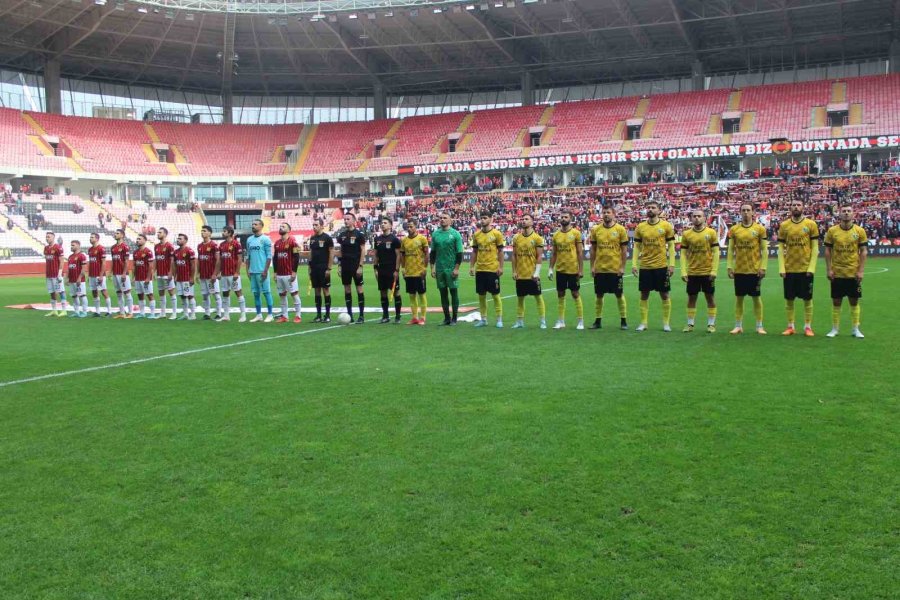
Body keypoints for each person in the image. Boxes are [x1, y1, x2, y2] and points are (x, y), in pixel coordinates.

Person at [632, 200, 675, 332]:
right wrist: (634, 263)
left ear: (659, 210)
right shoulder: (640, 227)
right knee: (644, 294)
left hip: (661, 266)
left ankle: (666, 323)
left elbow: (671, 246)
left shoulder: (666, 226)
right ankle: (644, 323)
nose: (650, 209)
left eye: (653, 207)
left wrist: (672, 264)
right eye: (648, 207)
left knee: (665, 294)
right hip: (645, 266)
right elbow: (637, 247)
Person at [824, 205, 867, 338]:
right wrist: (829, 269)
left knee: (854, 301)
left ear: (853, 214)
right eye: (844, 211)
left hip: (853, 273)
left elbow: (863, 251)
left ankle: (855, 329)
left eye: (849, 211)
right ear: (840, 214)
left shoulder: (859, 231)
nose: (846, 213)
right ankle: (835, 329)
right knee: (836, 301)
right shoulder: (832, 231)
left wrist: (861, 271)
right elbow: (827, 251)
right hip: (837, 272)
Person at [777, 198, 819, 336]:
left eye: (798, 205)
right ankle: (790, 326)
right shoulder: (784, 225)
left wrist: (811, 267)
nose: (796, 207)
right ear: (790, 208)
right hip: (790, 268)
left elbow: (815, 247)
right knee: (789, 299)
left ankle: (808, 327)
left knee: (807, 299)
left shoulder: (811, 224)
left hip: (805, 268)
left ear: (803, 207)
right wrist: (782, 268)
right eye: (794, 205)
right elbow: (780, 248)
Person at [726, 203, 768, 334]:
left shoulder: (760, 229)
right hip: (739, 270)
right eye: (743, 210)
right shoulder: (734, 229)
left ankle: (759, 326)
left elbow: (764, 250)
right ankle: (738, 325)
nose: (745, 212)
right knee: (739, 298)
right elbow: (731, 249)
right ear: (740, 212)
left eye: (748, 210)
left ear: (753, 212)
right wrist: (729, 266)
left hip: (755, 270)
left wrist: (763, 267)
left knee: (756, 298)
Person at [679, 209, 720, 333]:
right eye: (694, 216)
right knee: (691, 298)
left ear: (704, 218)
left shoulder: (711, 233)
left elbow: (716, 252)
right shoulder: (686, 234)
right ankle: (690, 324)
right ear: (691, 218)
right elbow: (683, 254)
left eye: (699, 216)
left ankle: (711, 324)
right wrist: (683, 271)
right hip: (692, 272)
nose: (697, 218)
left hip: (707, 272)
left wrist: (714, 270)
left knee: (710, 298)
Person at [589, 205, 628, 330]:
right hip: (600, 268)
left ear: (613, 214)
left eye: (608, 212)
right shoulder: (596, 230)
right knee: (599, 295)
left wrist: (622, 267)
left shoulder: (620, 229)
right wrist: (592, 266)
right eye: (604, 212)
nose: (606, 214)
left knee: (619, 294)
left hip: (615, 269)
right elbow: (593, 250)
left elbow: (624, 250)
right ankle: (598, 321)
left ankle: (623, 321)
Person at [548, 210, 584, 330]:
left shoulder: (576, 233)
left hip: (573, 269)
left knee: (575, 293)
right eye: (562, 217)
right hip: (560, 270)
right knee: (560, 294)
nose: (563, 218)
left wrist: (581, 270)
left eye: (566, 217)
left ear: (570, 218)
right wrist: (550, 269)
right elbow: (554, 253)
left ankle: (580, 321)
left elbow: (579, 252)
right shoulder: (556, 235)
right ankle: (561, 321)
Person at [469, 211, 505, 328]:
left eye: (485, 218)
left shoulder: (497, 234)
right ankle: (483, 319)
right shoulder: (476, 235)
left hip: (492, 269)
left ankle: (499, 319)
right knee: (481, 295)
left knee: (495, 295)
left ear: (491, 219)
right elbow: (474, 252)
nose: (482, 220)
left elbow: (500, 251)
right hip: (480, 269)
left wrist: (500, 267)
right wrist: (471, 266)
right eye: (481, 218)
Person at [510, 213, 546, 329]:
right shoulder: (516, 238)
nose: (523, 220)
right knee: (520, 299)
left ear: (532, 222)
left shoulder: (537, 238)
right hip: (520, 274)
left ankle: (542, 322)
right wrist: (514, 271)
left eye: (526, 219)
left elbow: (539, 257)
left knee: (538, 297)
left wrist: (537, 272)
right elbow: (514, 256)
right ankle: (520, 322)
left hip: (532, 275)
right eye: (523, 219)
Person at [429, 211, 464, 325]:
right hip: (440, 268)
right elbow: (433, 253)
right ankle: (446, 318)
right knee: (443, 293)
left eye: (445, 218)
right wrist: (432, 268)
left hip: (451, 268)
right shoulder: (435, 234)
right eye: (441, 218)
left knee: (454, 292)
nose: (442, 219)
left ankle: (454, 318)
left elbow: (459, 253)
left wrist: (456, 268)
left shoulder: (455, 234)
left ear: (450, 220)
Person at [336, 213, 366, 324]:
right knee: (347, 289)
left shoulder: (359, 235)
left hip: (356, 266)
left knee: (359, 289)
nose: (346, 221)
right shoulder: (342, 235)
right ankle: (350, 315)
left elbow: (363, 250)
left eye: (348, 219)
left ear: (354, 221)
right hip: (345, 266)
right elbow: (341, 251)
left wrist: (360, 266)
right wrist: (339, 265)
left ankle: (361, 316)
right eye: (345, 219)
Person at [400, 217, 429, 325]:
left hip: (419, 271)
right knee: (412, 295)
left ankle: (423, 318)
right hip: (409, 272)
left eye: (411, 226)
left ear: (416, 227)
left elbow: (426, 254)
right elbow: (402, 256)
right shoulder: (404, 241)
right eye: (408, 226)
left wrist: (425, 268)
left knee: (421, 294)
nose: (409, 228)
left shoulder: (422, 239)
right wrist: (403, 268)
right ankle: (414, 317)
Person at [373, 216, 402, 324]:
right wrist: (375, 268)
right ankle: (385, 316)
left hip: (392, 269)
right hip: (382, 269)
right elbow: (376, 255)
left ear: (390, 225)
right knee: (383, 293)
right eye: (382, 223)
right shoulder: (377, 239)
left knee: (396, 292)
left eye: (385, 223)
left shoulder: (394, 239)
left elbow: (398, 256)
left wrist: (396, 270)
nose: (382, 224)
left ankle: (398, 316)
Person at [246, 219, 274, 323]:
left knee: (266, 292)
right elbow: (248, 256)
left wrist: (265, 270)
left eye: (255, 224)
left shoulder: (266, 239)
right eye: (252, 224)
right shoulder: (249, 240)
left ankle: (270, 314)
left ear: (261, 226)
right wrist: (248, 269)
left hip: (262, 271)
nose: (253, 226)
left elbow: (269, 256)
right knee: (256, 293)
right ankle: (259, 315)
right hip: (253, 271)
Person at [273, 223, 302, 323]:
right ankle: (284, 316)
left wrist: (294, 272)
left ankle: (298, 315)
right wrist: (275, 272)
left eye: (283, 226)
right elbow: (275, 258)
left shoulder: (293, 241)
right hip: (280, 274)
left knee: (294, 294)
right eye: (280, 226)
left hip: (289, 273)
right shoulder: (276, 243)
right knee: (282, 295)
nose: (281, 227)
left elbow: (297, 256)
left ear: (289, 230)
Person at [218, 226, 247, 322]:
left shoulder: (236, 244)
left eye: (224, 231)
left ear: (230, 233)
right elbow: (220, 260)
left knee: (238, 292)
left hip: (233, 274)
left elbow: (239, 259)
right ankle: (226, 315)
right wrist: (218, 272)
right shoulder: (221, 245)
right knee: (225, 293)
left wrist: (237, 272)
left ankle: (243, 315)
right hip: (224, 274)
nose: (223, 233)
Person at [308, 219, 335, 323]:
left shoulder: (327, 238)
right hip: (314, 268)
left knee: (325, 290)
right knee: (317, 290)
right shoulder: (312, 238)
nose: (314, 227)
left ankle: (327, 315)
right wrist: (309, 267)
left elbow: (331, 253)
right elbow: (311, 252)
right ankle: (318, 315)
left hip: (324, 268)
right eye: (313, 225)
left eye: (316, 225)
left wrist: (329, 268)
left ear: (322, 226)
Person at [197, 225, 223, 321]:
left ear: (209, 233)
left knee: (215, 294)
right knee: (205, 295)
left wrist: (216, 273)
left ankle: (219, 313)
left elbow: (218, 260)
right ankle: (207, 313)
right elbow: (199, 260)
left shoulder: (214, 245)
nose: (202, 232)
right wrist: (198, 273)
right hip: (203, 275)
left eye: (204, 231)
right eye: (201, 231)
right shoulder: (199, 246)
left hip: (211, 274)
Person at [87, 232, 113, 317]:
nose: (90, 239)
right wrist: (89, 275)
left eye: (92, 237)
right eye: (90, 237)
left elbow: (104, 263)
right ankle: (97, 312)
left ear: (97, 239)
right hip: (92, 275)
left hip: (99, 274)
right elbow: (91, 262)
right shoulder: (90, 250)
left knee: (104, 291)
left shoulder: (101, 249)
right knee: (94, 292)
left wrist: (101, 275)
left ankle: (109, 311)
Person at [132, 234, 157, 319]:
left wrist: (148, 277)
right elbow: (135, 266)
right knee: (140, 295)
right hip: (138, 278)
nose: (137, 240)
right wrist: (133, 277)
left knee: (149, 295)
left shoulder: (148, 252)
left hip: (145, 278)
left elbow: (151, 266)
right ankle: (142, 313)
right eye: (137, 239)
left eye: (139, 239)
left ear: (144, 241)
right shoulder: (135, 252)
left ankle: (152, 313)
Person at [155, 228, 178, 319]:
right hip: (159, 273)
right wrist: (154, 271)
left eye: (160, 232)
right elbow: (157, 260)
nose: (158, 234)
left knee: (171, 292)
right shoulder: (156, 246)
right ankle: (163, 313)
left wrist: (170, 272)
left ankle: (174, 313)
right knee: (161, 293)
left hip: (167, 273)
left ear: (165, 234)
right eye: (158, 232)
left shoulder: (169, 246)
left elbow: (172, 260)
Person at [173, 233, 197, 320]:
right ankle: (185, 314)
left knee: (190, 295)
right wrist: (175, 276)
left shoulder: (189, 251)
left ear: (185, 240)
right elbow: (175, 265)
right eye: (178, 238)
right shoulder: (175, 252)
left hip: (187, 278)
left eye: (180, 239)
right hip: (179, 278)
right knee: (182, 296)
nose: (178, 240)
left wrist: (192, 277)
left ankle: (193, 314)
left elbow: (193, 265)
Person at [110, 228, 133, 319]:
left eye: (117, 233)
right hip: (115, 273)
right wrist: (111, 272)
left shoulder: (125, 247)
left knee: (127, 292)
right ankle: (122, 313)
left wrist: (124, 273)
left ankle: (130, 313)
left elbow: (127, 261)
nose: (115, 234)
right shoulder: (113, 247)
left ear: (122, 235)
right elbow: (113, 260)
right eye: (115, 233)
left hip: (123, 274)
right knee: (118, 293)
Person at [42, 231, 67, 317]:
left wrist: (59, 273)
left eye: (48, 237)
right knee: (52, 292)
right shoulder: (46, 248)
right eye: (46, 237)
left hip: (57, 274)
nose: (47, 238)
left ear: (53, 237)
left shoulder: (58, 248)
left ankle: (64, 310)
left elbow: (61, 261)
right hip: (49, 274)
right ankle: (54, 310)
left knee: (61, 291)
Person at [65, 240, 88, 318]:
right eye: (71, 245)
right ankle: (76, 312)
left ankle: (84, 312)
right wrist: (67, 278)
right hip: (72, 280)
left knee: (82, 295)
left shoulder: (82, 256)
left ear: (78, 245)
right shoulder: (70, 257)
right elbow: (69, 268)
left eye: (73, 245)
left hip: (79, 280)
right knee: (74, 296)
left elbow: (84, 268)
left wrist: (79, 278)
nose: (71, 247)